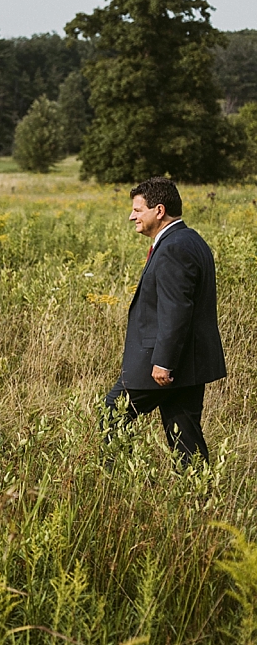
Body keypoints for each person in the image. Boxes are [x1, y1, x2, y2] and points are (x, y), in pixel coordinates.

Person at [102, 177, 225, 467]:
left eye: (138, 209)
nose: (132, 216)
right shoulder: (191, 239)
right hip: (189, 363)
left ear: (159, 210)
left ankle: (118, 482)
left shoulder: (173, 248)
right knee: (185, 434)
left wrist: (163, 362)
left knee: (113, 411)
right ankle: (197, 495)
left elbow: (177, 309)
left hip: (164, 364)